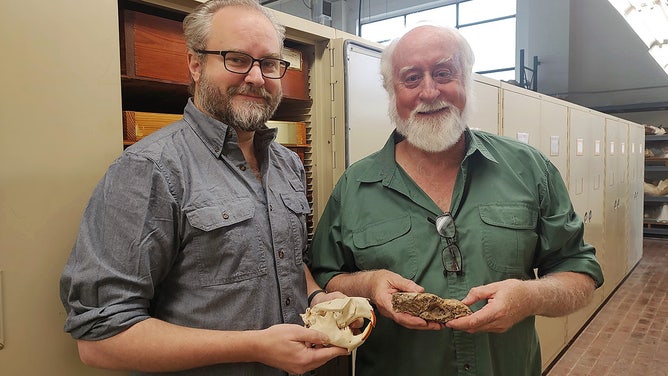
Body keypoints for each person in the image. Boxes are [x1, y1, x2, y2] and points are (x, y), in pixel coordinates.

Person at [59, 0, 350, 374]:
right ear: (195, 65)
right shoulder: (151, 170)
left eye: (269, 63)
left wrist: (319, 297)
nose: (257, 78)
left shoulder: (287, 164)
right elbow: (100, 338)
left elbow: (287, 262)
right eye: (237, 59)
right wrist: (255, 347)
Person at [309, 25, 604, 376]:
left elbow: (579, 274)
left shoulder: (529, 168)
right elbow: (325, 277)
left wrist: (529, 298)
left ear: (466, 79)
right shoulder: (355, 186)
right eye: (412, 78)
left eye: (444, 73)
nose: (430, 91)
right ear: (392, 91)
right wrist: (368, 284)